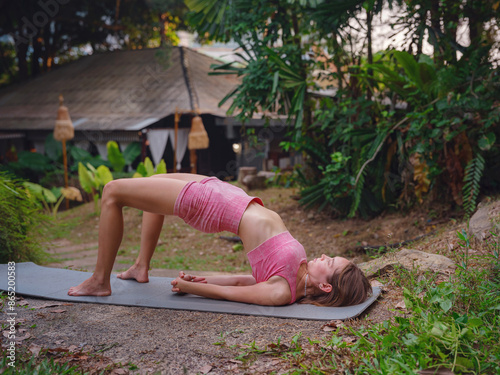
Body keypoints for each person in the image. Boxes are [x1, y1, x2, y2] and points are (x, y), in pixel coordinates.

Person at [68, 173, 371, 306]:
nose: (323, 256)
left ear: (326, 286)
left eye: (329, 262)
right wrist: (202, 279)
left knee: (112, 191)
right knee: (152, 183)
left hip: (210, 204)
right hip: (228, 193)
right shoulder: (297, 273)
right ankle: (140, 267)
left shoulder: (281, 293)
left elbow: (236, 294)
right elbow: (245, 280)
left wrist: (189, 288)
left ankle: (99, 281)